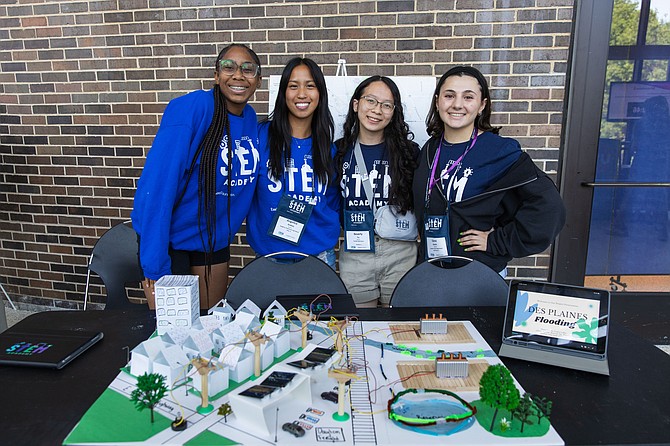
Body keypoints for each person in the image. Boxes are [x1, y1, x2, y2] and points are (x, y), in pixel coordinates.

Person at [132, 43, 262, 311]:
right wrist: (155, 265)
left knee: (209, 326)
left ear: (258, 80)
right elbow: (158, 188)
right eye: (229, 67)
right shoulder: (192, 109)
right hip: (170, 243)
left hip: (211, 241)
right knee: (174, 335)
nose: (238, 75)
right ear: (216, 75)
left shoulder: (250, 118)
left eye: (248, 69)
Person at [412, 66, 565, 275]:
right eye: (449, 96)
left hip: (479, 272)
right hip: (431, 268)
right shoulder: (430, 149)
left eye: (468, 97)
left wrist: (497, 241)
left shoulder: (499, 151)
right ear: (438, 101)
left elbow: (549, 206)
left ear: (482, 105)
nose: (457, 104)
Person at [246, 57, 340, 267]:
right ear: (283, 93)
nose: (302, 94)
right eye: (293, 86)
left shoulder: (328, 148)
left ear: (320, 93)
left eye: (310, 86)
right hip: (268, 258)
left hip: (318, 258)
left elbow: (332, 200)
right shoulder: (260, 137)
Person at [335, 76, 419, 307]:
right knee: (361, 328)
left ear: (394, 112)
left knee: (399, 328)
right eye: (370, 100)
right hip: (356, 252)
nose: (377, 110)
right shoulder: (340, 152)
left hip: (401, 251)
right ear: (356, 104)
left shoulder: (409, 153)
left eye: (386, 105)